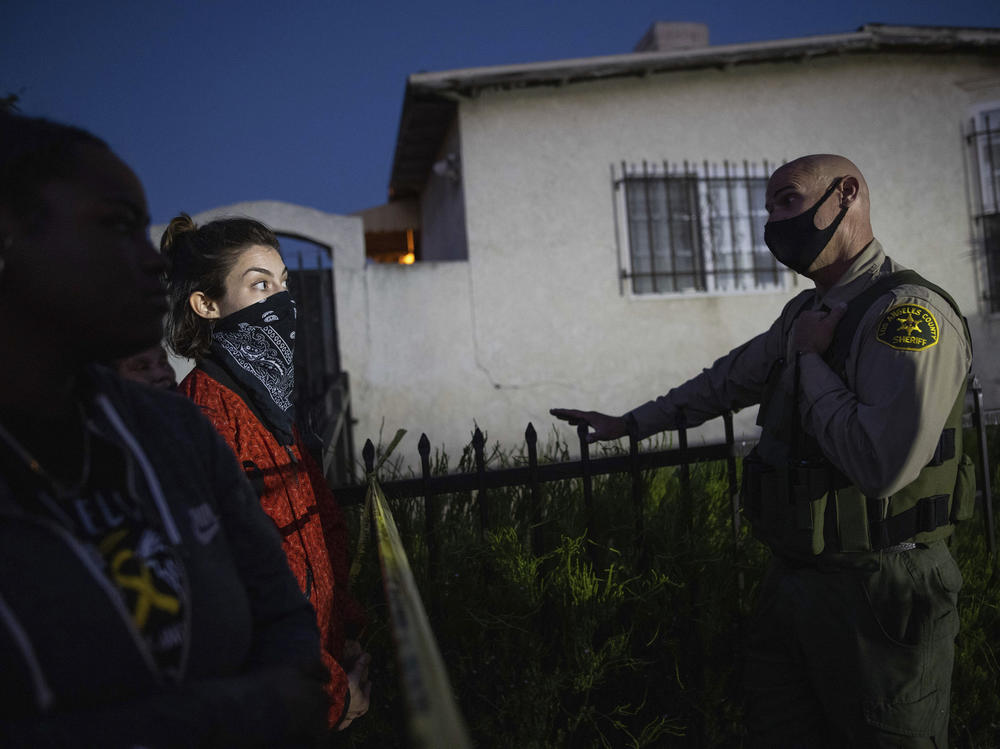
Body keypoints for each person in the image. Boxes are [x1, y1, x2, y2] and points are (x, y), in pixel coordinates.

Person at [552, 154, 973, 748]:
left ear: (845, 195)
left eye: (788, 201)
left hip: (880, 587)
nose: (772, 222)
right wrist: (629, 424)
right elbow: (726, 381)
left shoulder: (906, 315)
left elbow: (882, 468)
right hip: (795, 579)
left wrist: (808, 360)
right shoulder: (805, 313)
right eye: (768, 207)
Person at [0, 111, 330, 746]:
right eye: (117, 227)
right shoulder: (205, 408)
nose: (153, 264)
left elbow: (283, 607)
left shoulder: (169, 432)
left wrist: (307, 682)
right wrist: (246, 712)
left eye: (282, 285)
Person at [161, 213, 370, 730]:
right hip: (275, 709)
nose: (281, 302)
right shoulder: (202, 421)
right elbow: (234, 595)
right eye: (260, 285)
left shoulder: (270, 407)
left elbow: (322, 526)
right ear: (207, 305)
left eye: (284, 285)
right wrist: (334, 696)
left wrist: (344, 629)